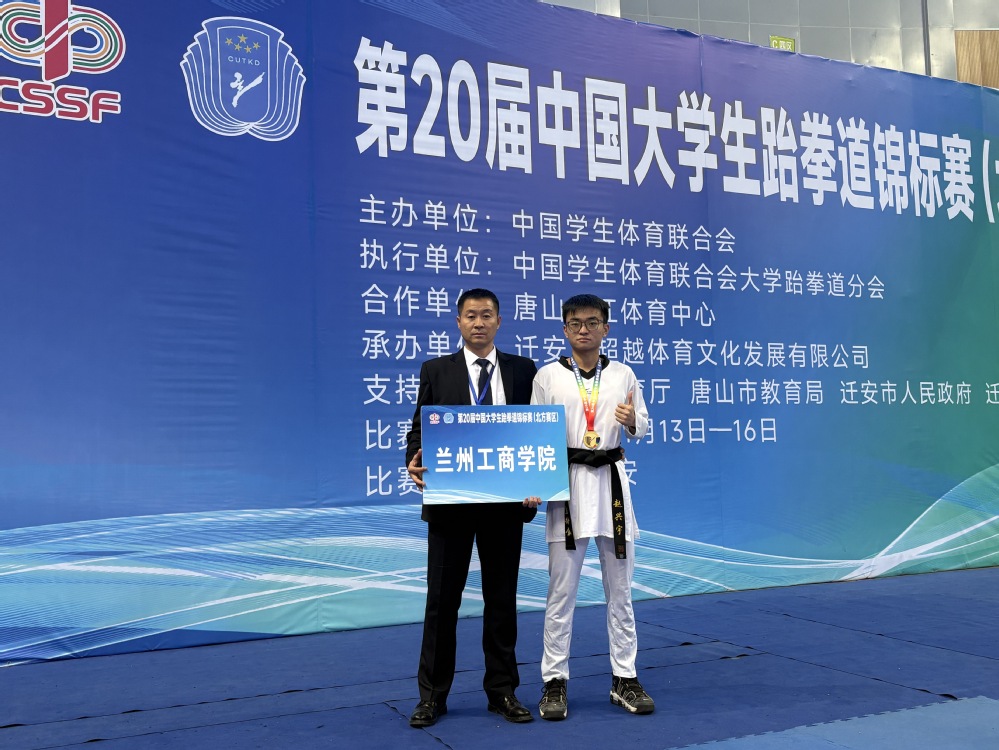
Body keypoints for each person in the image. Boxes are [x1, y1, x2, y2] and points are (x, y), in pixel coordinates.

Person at [405, 288, 540, 728]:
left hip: (504, 506)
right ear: (458, 322)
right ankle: (432, 697)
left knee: (501, 601)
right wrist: (413, 459)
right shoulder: (436, 370)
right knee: (441, 604)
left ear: (499, 321)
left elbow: (534, 433)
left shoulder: (523, 370)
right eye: (470, 316)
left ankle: (502, 692)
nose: (478, 323)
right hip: (452, 505)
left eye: (486, 315)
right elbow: (419, 431)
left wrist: (537, 481)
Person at [531, 293, 654, 721]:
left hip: (611, 486)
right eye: (576, 323)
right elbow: (535, 435)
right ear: (565, 329)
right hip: (566, 487)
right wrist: (535, 485)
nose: (584, 329)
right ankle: (554, 681)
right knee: (561, 592)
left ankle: (625, 676)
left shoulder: (622, 374)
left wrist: (632, 420)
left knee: (620, 590)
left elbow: (642, 425)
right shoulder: (547, 376)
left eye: (592, 322)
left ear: (606, 327)